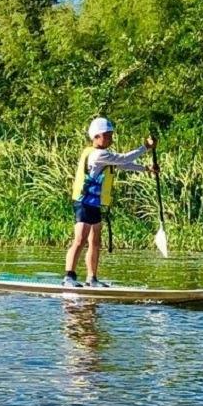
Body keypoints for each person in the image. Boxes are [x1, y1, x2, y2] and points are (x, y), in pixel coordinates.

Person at [63, 118, 155, 287]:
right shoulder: (98, 154)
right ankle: (69, 277)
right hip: (83, 202)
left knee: (95, 241)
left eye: (111, 135)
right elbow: (124, 158)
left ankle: (92, 278)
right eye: (107, 135)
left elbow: (123, 165)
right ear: (96, 137)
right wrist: (146, 148)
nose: (110, 139)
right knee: (80, 239)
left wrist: (146, 169)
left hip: (95, 203)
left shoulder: (104, 155)